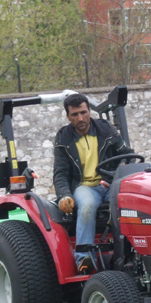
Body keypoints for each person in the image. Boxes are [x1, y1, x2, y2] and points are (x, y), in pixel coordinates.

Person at [53, 93, 133, 274]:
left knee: (132, 202)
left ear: (89, 111)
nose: (80, 118)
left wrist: (118, 171)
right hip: (85, 187)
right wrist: (64, 195)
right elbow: (61, 174)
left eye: (83, 112)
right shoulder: (63, 138)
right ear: (68, 116)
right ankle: (84, 259)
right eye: (75, 114)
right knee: (87, 206)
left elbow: (127, 155)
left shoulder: (105, 129)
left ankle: (132, 252)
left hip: (111, 183)